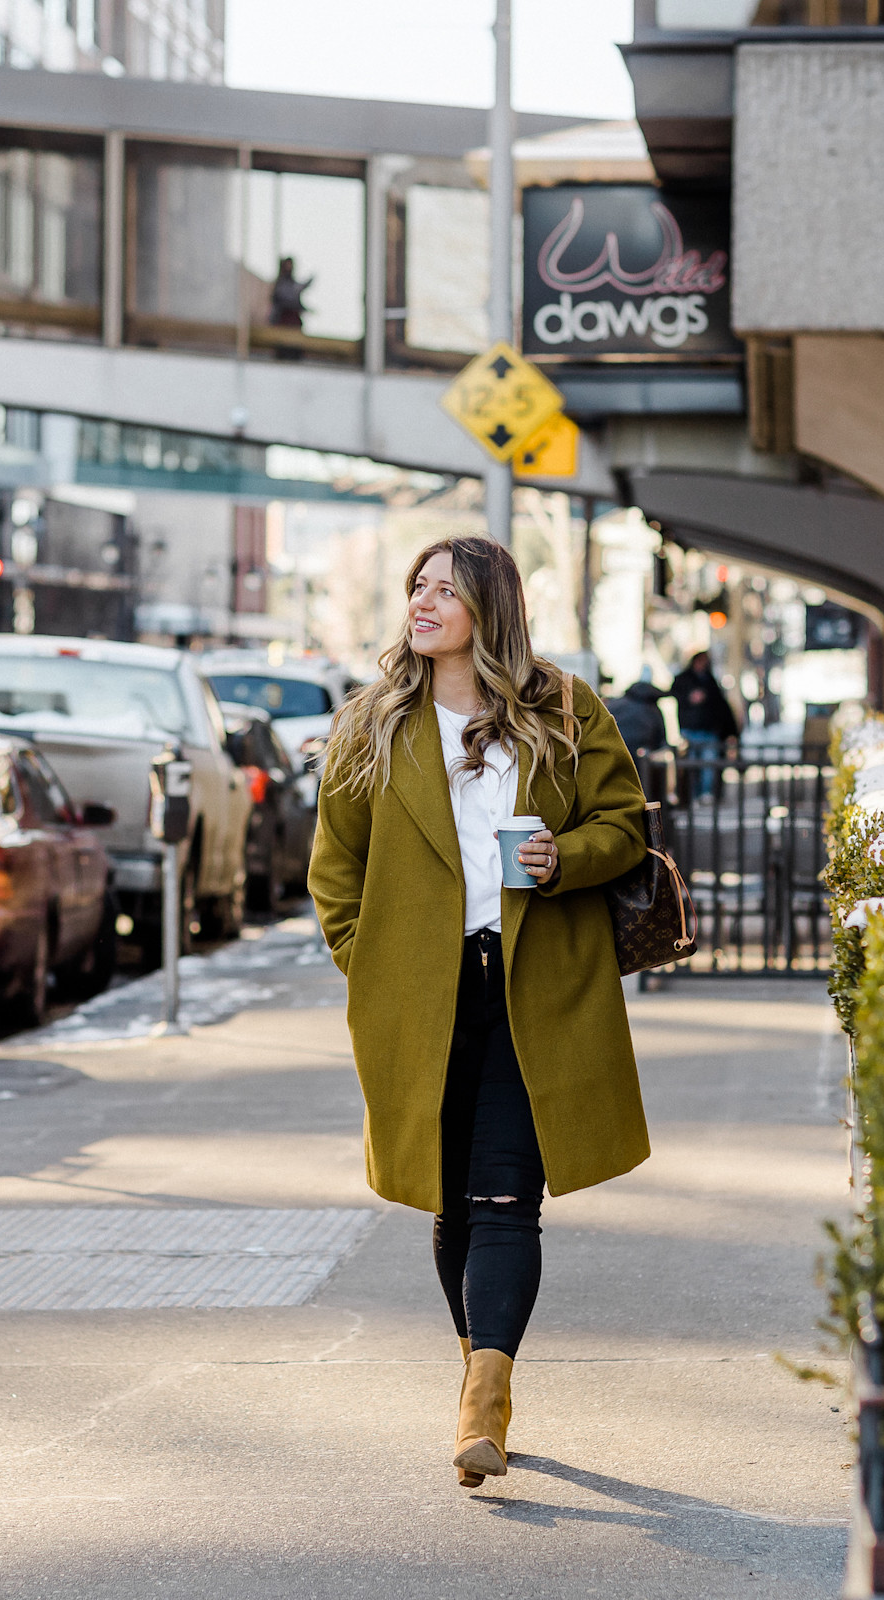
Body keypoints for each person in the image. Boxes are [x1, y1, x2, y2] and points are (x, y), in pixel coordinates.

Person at [309, 534, 651, 1490]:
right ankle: (479, 1372)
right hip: (418, 995)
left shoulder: (563, 710)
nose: (422, 604)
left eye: (444, 592)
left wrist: (562, 860)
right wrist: (364, 965)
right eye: (416, 588)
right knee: (448, 1193)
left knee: (507, 1194)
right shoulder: (371, 725)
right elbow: (334, 872)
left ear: (487, 610)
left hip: (535, 983)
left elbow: (625, 825)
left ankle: (483, 1401)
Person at [669, 651, 738, 800]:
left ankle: (706, 794)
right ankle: (694, 795)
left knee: (708, 765)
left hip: (708, 730)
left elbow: (721, 707)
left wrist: (730, 731)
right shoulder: (684, 680)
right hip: (690, 729)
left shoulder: (710, 681)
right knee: (692, 766)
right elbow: (674, 695)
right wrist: (689, 698)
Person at [609, 675, 673, 800]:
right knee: (641, 789)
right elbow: (660, 738)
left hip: (615, 753)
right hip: (642, 755)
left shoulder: (615, 705)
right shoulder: (653, 710)